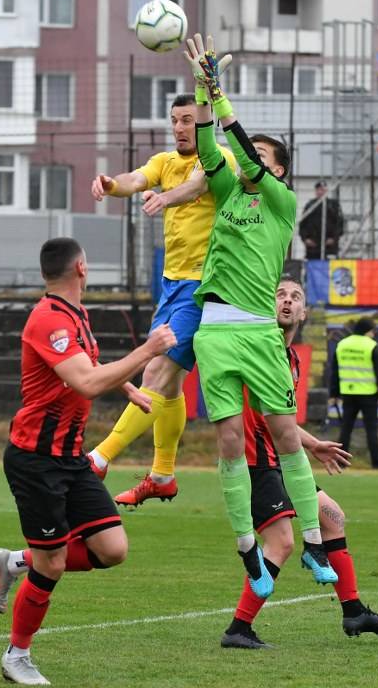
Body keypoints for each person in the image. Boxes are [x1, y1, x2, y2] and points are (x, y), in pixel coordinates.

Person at [185, 32, 338, 597]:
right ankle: (248, 547)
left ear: (278, 171)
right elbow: (209, 150)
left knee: (285, 436)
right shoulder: (228, 194)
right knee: (228, 441)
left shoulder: (280, 201)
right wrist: (203, 92)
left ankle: (314, 544)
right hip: (215, 331)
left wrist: (223, 99)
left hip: (255, 330)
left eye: (264, 159)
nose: (248, 163)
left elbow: (242, 151)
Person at [0, 238, 176, 686]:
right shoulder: (48, 318)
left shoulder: (75, 315)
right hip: (36, 460)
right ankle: (17, 655)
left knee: (112, 549)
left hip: (70, 458)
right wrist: (147, 351)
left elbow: (87, 366)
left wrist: (125, 385)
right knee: (51, 565)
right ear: (81, 268)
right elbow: (86, 381)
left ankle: (13, 562)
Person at [222, 278, 378, 650]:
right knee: (282, 542)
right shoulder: (258, 347)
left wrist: (314, 443)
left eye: (295, 297)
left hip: (281, 462)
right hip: (256, 464)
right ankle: (239, 628)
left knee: (332, 517)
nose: (287, 301)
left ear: (304, 312)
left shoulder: (291, 358)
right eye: (280, 295)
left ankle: (353, 612)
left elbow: (281, 420)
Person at [87, 95, 238, 507]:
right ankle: (163, 474)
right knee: (168, 385)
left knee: (155, 371)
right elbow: (135, 180)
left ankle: (99, 459)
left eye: (188, 120)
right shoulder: (164, 161)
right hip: (172, 285)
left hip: (203, 287)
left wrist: (166, 198)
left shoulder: (219, 156)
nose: (180, 127)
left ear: (202, 122)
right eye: (174, 120)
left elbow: (201, 184)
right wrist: (110, 184)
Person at [329, 318, 378, 469]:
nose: (374, 334)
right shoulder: (371, 345)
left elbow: (334, 372)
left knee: (346, 429)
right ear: (367, 330)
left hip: (348, 393)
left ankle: (341, 462)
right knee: (371, 430)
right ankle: (377, 463)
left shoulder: (342, 344)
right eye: (372, 331)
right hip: (369, 394)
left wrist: (334, 394)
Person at [299, 181, 344, 260]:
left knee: (329, 267)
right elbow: (303, 223)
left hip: (329, 246)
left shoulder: (333, 205)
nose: (320, 192)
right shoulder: (310, 205)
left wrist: (334, 238)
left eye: (323, 190)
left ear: (326, 191)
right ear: (316, 191)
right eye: (318, 190)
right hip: (313, 246)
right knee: (313, 267)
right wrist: (306, 239)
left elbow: (340, 223)